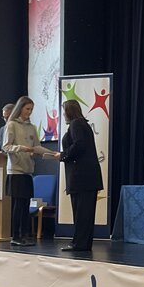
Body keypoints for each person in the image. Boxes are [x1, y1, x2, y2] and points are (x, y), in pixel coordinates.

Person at [54, 100, 103, 252]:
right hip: (88, 177)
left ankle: (79, 244)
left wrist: (63, 155)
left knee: (81, 212)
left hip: (81, 177)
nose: (63, 115)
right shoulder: (83, 124)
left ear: (69, 112)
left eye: (64, 112)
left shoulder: (76, 124)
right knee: (86, 213)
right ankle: (83, 243)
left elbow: (79, 145)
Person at [2, 96, 49, 246]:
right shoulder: (11, 125)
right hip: (16, 171)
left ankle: (25, 234)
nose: (29, 112)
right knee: (18, 204)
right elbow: (6, 147)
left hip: (28, 170)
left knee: (25, 204)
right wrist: (22, 148)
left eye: (31, 109)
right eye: (27, 109)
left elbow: (36, 146)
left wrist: (48, 153)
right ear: (20, 108)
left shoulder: (31, 127)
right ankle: (15, 236)